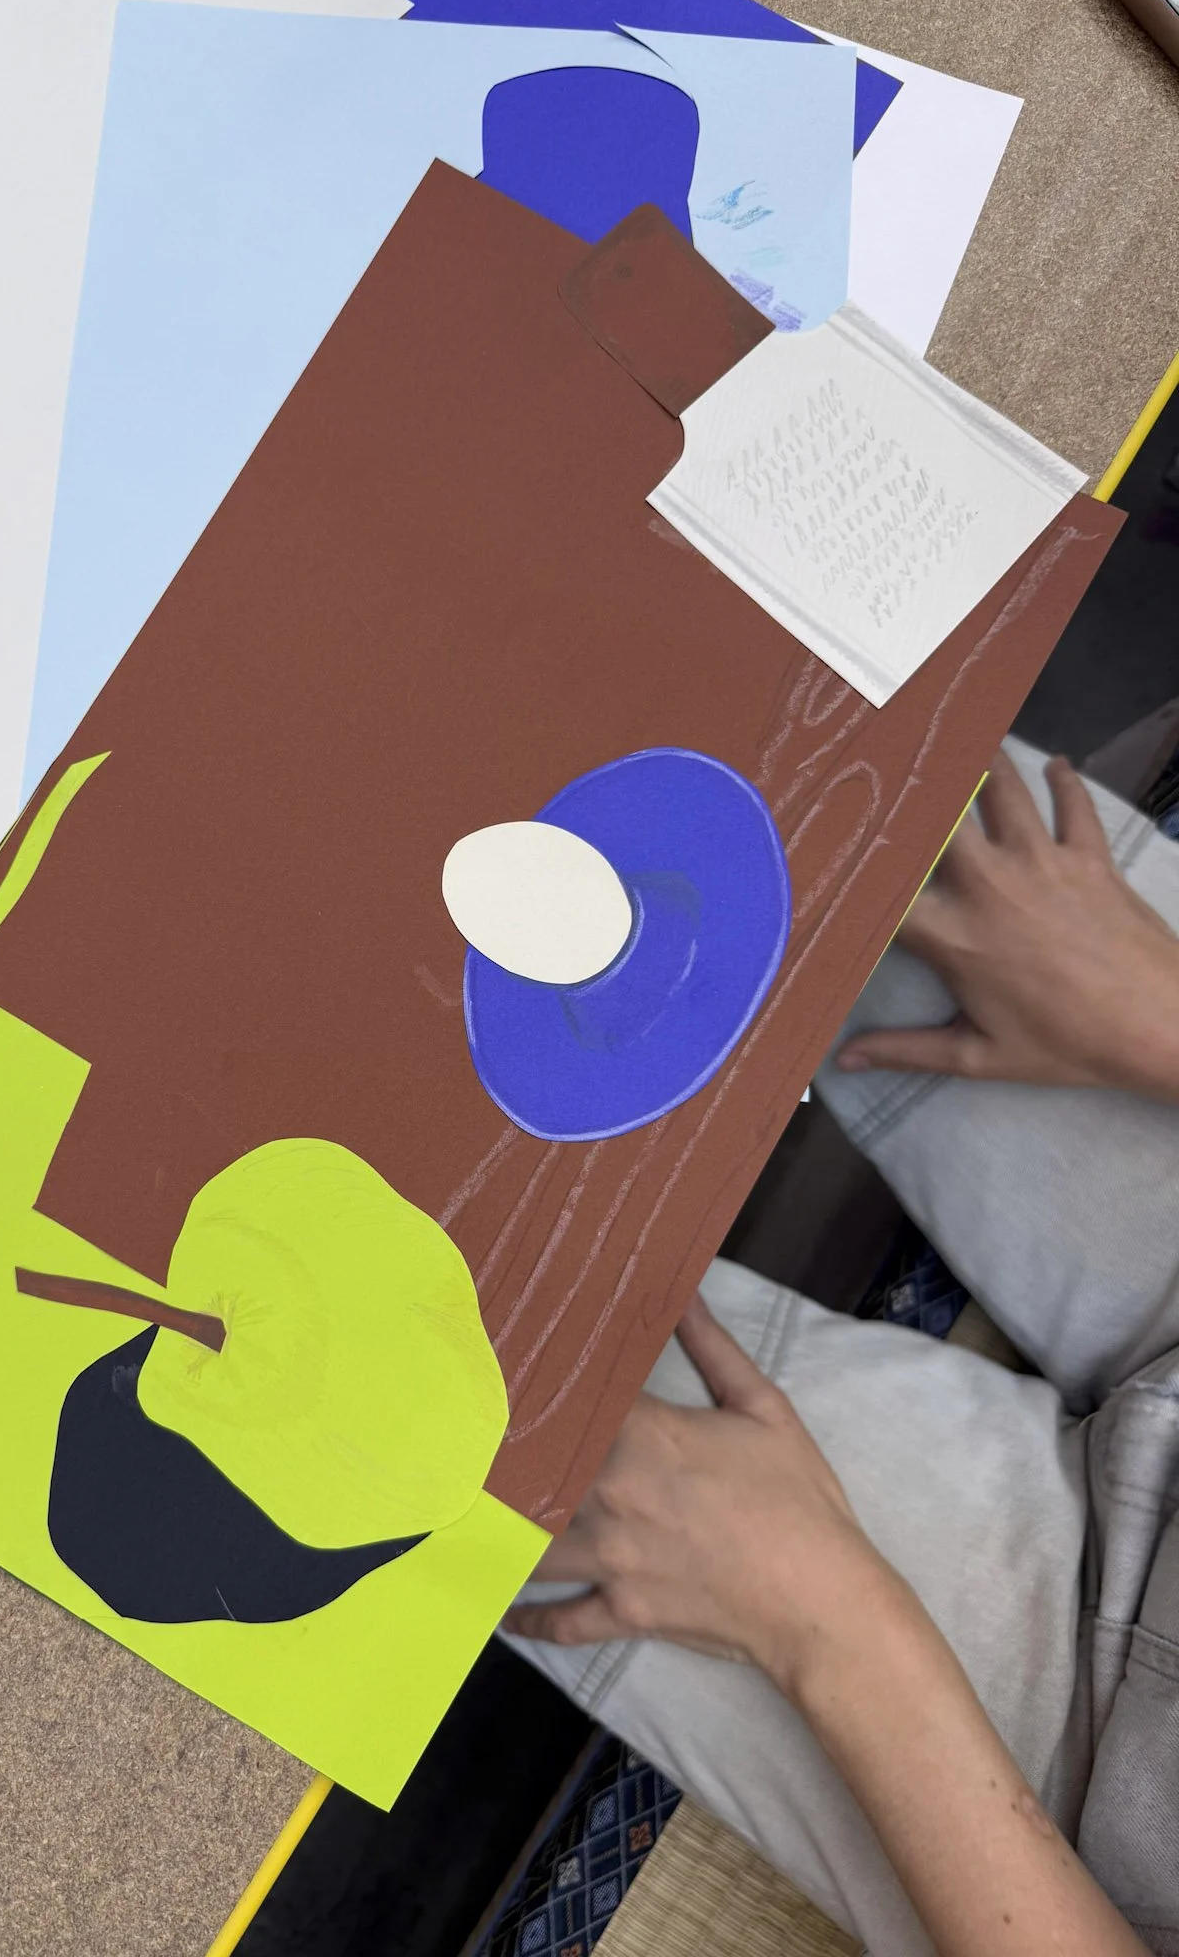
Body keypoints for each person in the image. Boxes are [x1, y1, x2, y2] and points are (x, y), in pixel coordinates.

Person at [505, 737, 1179, 1956]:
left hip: (1098, 1809)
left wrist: (825, 1620)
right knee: (788, 774)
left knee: (451, 1401)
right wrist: (1161, 1016)